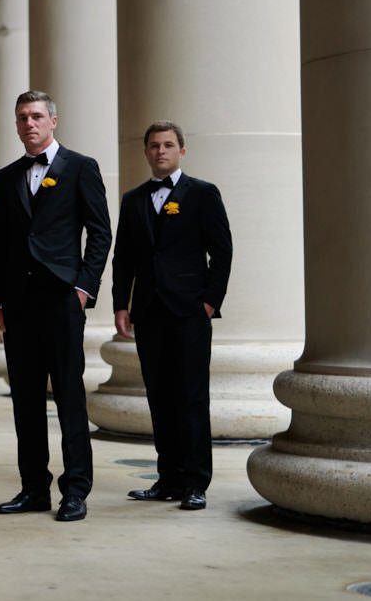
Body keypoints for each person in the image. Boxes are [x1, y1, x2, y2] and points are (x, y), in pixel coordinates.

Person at [0, 90, 111, 522]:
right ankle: (33, 487)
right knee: (25, 398)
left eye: (36, 116)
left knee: (70, 396)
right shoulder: (6, 176)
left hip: (61, 299)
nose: (29, 124)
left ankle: (76, 489)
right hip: (18, 303)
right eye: (22, 118)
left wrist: (83, 288)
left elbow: (100, 233)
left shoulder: (81, 167)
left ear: (53, 121)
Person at [113, 121, 232, 511]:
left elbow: (222, 250)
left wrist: (209, 302)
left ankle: (196, 481)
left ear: (182, 150)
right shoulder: (132, 200)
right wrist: (121, 304)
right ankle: (167, 479)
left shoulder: (202, 194)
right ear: (146, 152)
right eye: (153, 146)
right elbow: (124, 259)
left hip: (189, 313)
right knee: (159, 397)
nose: (160, 151)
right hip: (149, 312)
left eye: (168, 145)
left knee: (192, 397)